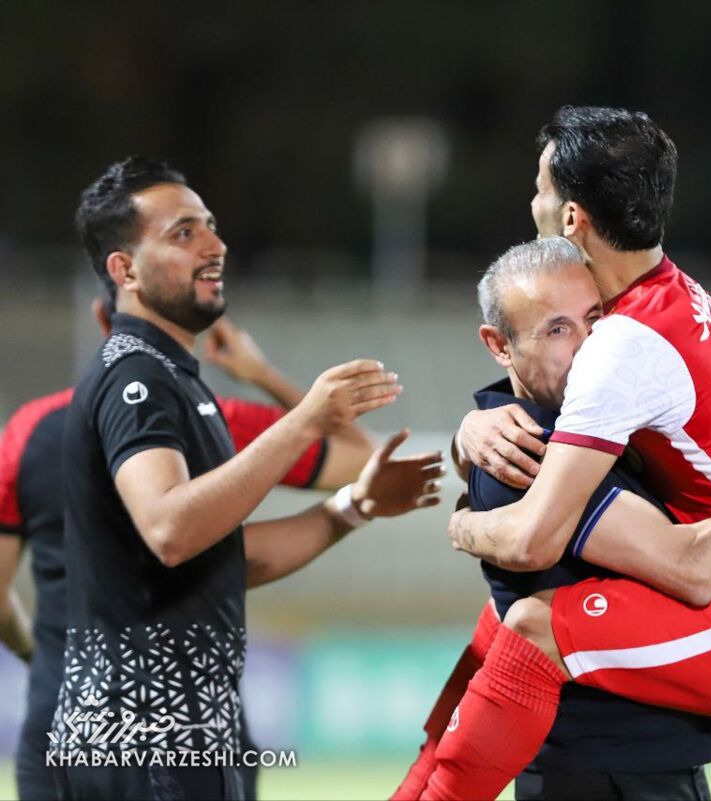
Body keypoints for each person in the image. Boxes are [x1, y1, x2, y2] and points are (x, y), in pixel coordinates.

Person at [418, 108, 711, 800]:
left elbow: (538, 537)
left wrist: (460, 526)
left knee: (535, 624)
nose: (530, 202)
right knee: (513, 620)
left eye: (539, 188)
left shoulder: (623, 347)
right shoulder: (679, 296)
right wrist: (466, 435)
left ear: (571, 217)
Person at [50, 156, 443, 801]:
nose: (215, 245)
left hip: (187, 734)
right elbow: (171, 529)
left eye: (209, 226)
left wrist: (353, 507)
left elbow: (230, 560)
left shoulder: (172, 378)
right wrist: (302, 421)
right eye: (183, 234)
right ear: (124, 271)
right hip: (145, 738)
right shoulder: (136, 377)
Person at [0, 300, 378, 800]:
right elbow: (362, 460)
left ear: (101, 316)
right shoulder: (210, 416)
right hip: (187, 719)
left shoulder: (28, 430)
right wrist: (259, 373)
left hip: (65, 720)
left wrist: (33, 651)